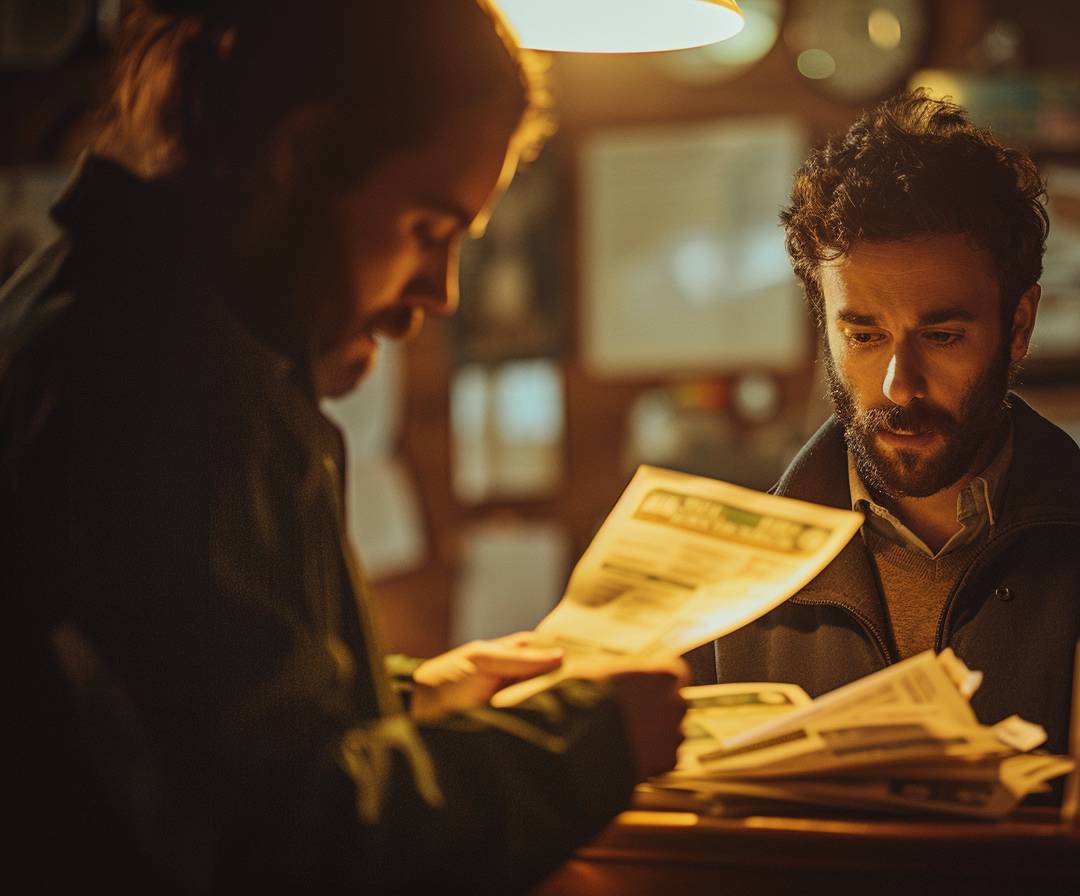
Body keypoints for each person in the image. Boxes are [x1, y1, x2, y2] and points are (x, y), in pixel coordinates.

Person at [2, 1, 686, 889]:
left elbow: (178, 730)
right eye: (427, 232)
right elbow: (286, 844)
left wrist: (409, 700)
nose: (438, 293)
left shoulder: (102, 304)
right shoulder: (168, 381)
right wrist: (588, 738)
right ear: (303, 159)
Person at [686, 91, 1080, 756]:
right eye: (864, 337)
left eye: (944, 335)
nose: (900, 385)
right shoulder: (724, 588)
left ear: (1019, 327)